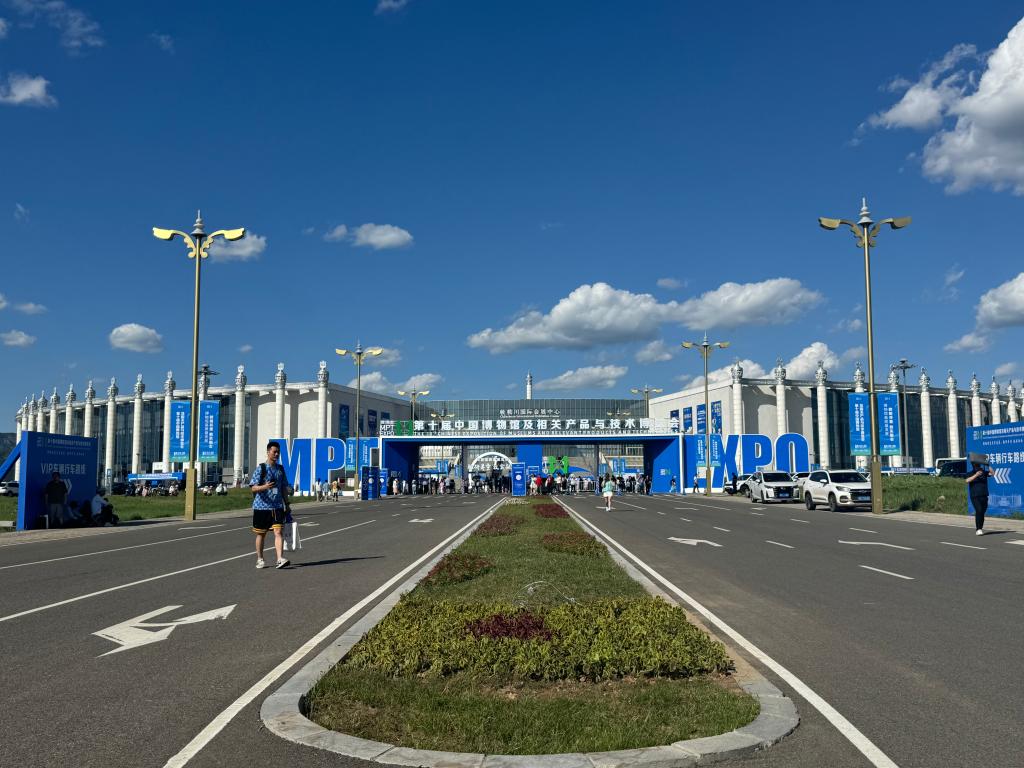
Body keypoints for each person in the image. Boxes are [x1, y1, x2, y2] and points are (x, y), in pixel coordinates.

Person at [250, 440, 291, 569]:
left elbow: (283, 488)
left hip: (277, 507)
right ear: (268, 452)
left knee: (278, 532)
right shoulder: (261, 468)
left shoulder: (280, 469)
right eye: (274, 452)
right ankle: (260, 559)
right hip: (261, 507)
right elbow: (253, 488)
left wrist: (287, 504)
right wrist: (265, 486)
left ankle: (279, 559)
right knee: (261, 534)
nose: (277, 454)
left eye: (278, 452)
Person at [965, 457, 994, 535]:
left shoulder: (984, 472)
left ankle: (980, 527)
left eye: (978, 465)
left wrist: (988, 465)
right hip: (975, 496)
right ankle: (978, 529)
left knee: (982, 512)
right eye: (976, 466)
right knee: (979, 510)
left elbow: (992, 473)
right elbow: (967, 480)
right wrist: (976, 475)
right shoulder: (970, 473)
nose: (978, 467)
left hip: (984, 495)